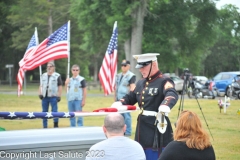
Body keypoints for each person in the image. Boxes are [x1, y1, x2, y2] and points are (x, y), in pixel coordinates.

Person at [115, 53, 179, 160]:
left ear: (153, 65)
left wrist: (165, 105)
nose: (141, 70)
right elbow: (131, 97)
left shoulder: (164, 80)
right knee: (141, 153)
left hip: (157, 126)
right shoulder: (141, 83)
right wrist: (120, 102)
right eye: (140, 67)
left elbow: (171, 94)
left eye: (143, 66)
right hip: (142, 126)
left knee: (156, 154)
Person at [115, 59, 136, 136]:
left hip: (126, 98)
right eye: (122, 65)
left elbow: (132, 87)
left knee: (126, 116)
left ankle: (128, 131)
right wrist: (115, 97)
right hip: (118, 98)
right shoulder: (118, 75)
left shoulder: (131, 76)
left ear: (128, 66)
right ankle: (121, 131)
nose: (123, 67)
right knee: (119, 116)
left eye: (125, 65)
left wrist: (130, 98)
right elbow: (116, 87)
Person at [38, 61, 62, 128]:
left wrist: (59, 96)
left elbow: (60, 86)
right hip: (44, 96)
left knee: (54, 111)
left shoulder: (57, 76)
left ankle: (55, 124)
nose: (49, 68)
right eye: (48, 66)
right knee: (44, 112)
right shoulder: (43, 75)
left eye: (50, 66)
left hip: (53, 96)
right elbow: (41, 85)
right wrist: (40, 93)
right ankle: (45, 126)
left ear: (54, 67)